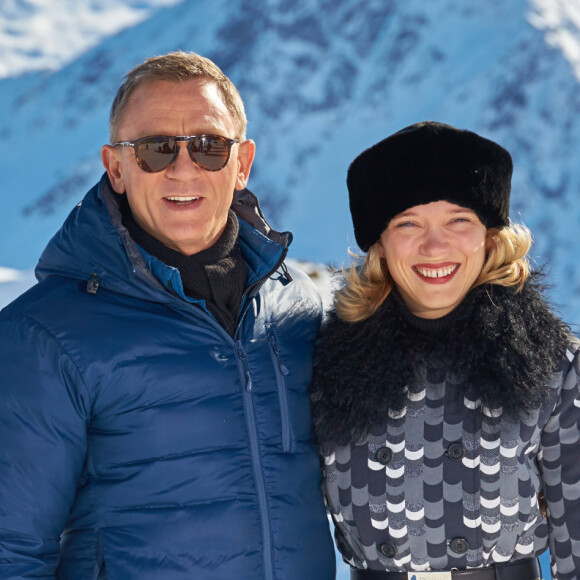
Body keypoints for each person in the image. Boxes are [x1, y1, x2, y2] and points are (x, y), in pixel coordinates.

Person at [0, 51, 336, 579]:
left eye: (209, 146)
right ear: (116, 167)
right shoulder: (44, 337)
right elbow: (10, 549)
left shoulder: (295, 311)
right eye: (156, 149)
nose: (183, 167)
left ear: (242, 163)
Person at [310, 121, 580, 579]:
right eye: (409, 223)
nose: (435, 246)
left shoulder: (552, 362)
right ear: (379, 242)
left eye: (459, 220)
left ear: (490, 237)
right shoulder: (323, 361)